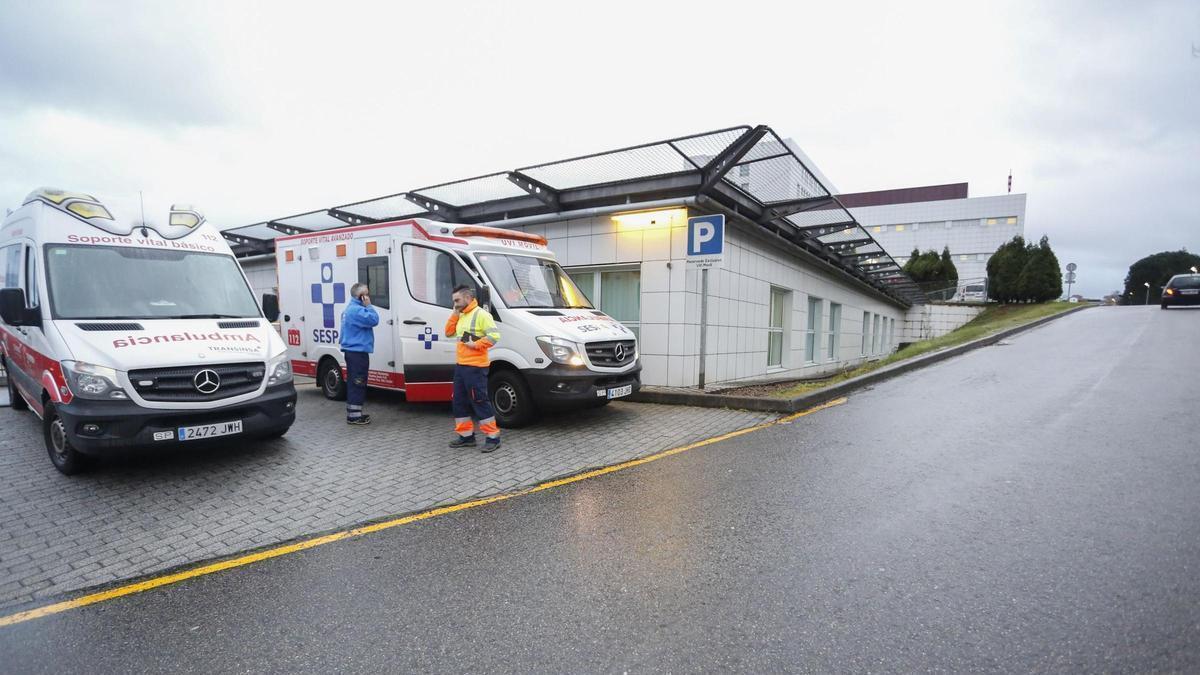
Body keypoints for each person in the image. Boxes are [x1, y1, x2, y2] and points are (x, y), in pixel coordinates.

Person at [445, 285, 502, 452]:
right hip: (461, 366)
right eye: (453, 301)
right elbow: (448, 332)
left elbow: (494, 337)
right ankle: (466, 436)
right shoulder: (460, 315)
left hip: (476, 367)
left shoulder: (482, 314)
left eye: (457, 300)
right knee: (459, 402)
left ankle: (493, 438)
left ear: (468, 298)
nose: (455, 303)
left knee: (479, 401)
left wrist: (476, 344)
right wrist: (455, 314)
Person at [339, 283, 379, 425]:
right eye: (366, 294)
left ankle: (354, 413)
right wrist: (369, 305)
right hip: (357, 353)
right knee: (358, 382)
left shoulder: (349, 310)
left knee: (354, 382)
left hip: (352, 352)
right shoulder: (357, 311)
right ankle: (354, 416)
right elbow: (374, 320)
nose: (368, 297)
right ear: (361, 296)